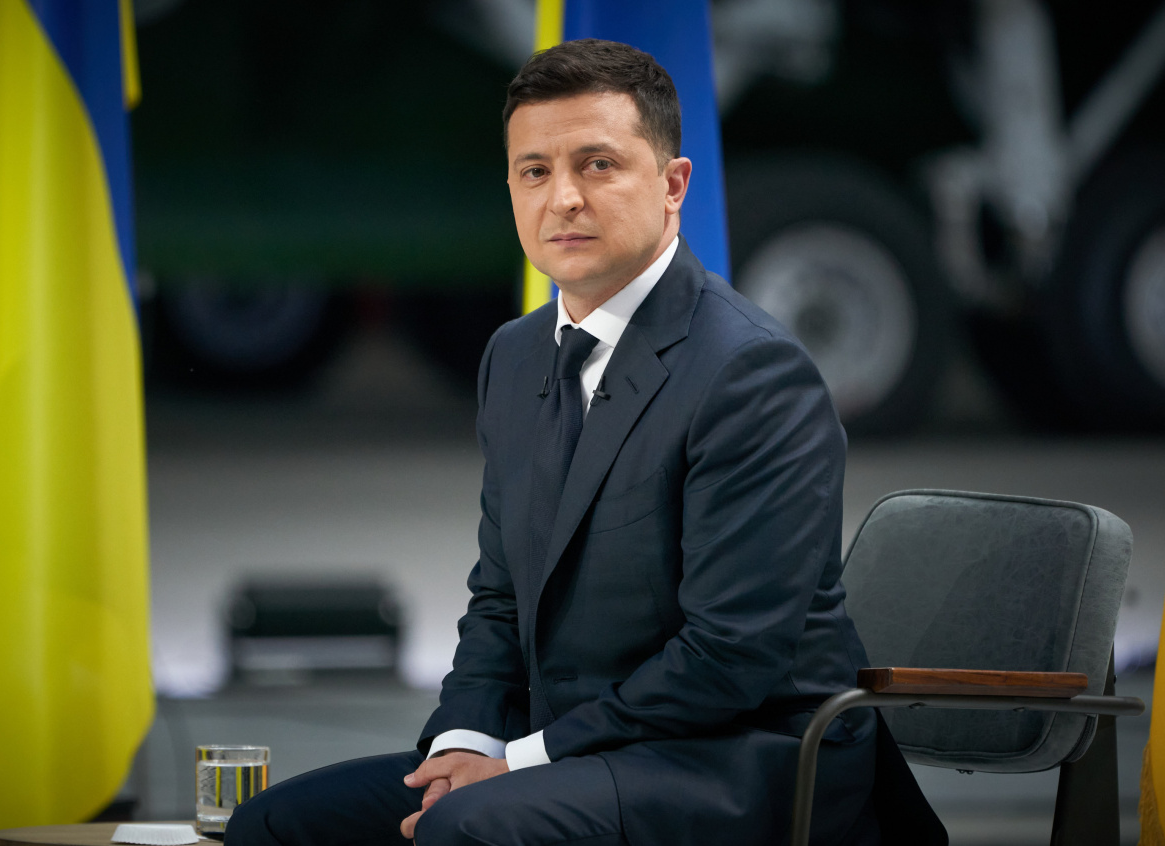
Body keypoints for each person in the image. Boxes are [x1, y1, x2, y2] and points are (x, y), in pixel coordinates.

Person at [225, 38, 942, 846]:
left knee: (466, 828)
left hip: (736, 761)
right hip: (572, 754)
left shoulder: (752, 374)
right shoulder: (514, 355)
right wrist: (466, 739)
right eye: (534, 171)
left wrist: (521, 760)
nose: (563, 198)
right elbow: (499, 599)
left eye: (598, 165)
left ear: (673, 185)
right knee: (274, 826)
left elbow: (729, 657)